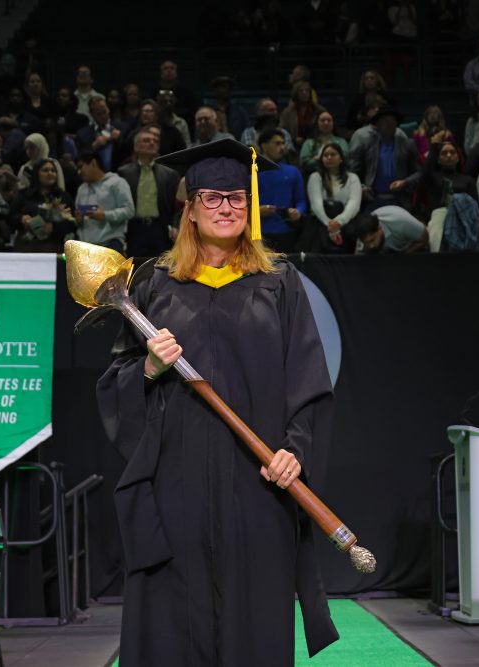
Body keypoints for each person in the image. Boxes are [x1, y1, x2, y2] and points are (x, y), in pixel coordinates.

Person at [96, 137, 338, 666]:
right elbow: (115, 383)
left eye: (236, 198)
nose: (226, 207)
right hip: (175, 484)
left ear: (249, 209)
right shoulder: (155, 284)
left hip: (257, 485)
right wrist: (148, 368)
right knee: (173, 620)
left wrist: (293, 450)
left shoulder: (279, 283)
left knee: (254, 619)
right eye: (212, 197)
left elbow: (309, 379)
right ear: (189, 209)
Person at [118, 129, 181, 257]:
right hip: (134, 229)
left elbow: (177, 205)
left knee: (162, 269)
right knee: (136, 270)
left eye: (155, 141)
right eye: (146, 141)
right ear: (136, 147)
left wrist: (176, 225)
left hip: (161, 229)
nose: (152, 143)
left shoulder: (170, 174)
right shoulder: (124, 173)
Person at [255, 129, 307, 252]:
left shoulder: (293, 172)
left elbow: (301, 201)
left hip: (287, 232)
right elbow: (242, 204)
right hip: (259, 233)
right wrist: (256, 210)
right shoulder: (251, 173)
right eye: (277, 143)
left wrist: (298, 211)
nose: (282, 147)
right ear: (264, 145)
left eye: (283, 143)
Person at [9, 158, 75, 253]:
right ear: (37, 174)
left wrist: (53, 228)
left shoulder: (63, 197)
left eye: (53, 171)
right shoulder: (24, 195)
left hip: (53, 248)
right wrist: (21, 219)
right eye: (45, 170)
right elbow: (10, 218)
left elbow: (72, 223)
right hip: (26, 247)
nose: (50, 173)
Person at [74, 150, 134, 253]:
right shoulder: (81, 189)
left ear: (93, 163)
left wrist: (105, 215)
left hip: (111, 243)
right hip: (86, 246)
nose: (79, 172)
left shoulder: (117, 183)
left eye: (81, 166)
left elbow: (129, 210)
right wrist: (78, 220)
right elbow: (78, 217)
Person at [305, 143, 362, 251]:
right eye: (325, 155)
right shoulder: (315, 177)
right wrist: (330, 225)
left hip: (346, 224)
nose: (329, 157)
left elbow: (354, 203)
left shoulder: (353, 178)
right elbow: (316, 204)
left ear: (341, 158)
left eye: (333, 154)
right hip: (321, 225)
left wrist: (339, 222)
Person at [344, 207, 428, 253]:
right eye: (366, 242)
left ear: (380, 229)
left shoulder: (401, 221)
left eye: (372, 240)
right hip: (389, 251)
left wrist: (405, 256)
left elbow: (425, 237)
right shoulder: (362, 233)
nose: (371, 245)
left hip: (410, 246)